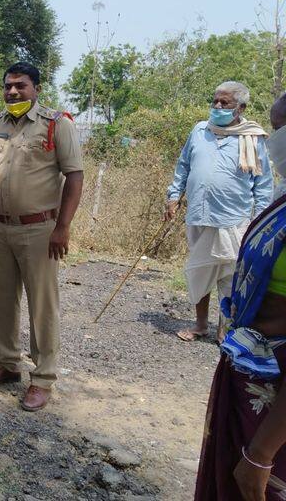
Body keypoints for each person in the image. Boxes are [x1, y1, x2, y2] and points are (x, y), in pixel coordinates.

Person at [0, 61, 83, 412]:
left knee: (42, 305)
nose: (13, 92)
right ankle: (7, 364)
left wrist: (62, 227)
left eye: (20, 85)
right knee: (0, 300)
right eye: (8, 86)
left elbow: (75, 176)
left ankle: (43, 378)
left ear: (35, 87)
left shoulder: (56, 125)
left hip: (40, 229)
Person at [195, 91, 286, 501]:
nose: (275, 141)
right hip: (248, 377)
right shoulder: (282, 206)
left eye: (281, 130)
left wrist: (263, 452)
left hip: (274, 412)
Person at [165, 81, 272, 343]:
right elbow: (184, 165)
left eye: (225, 103)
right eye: (215, 101)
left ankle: (225, 330)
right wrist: (173, 195)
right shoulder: (200, 130)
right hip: (199, 215)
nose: (218, 107)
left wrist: (259, 221)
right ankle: (200, 325)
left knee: (229, 276)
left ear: (241, 107)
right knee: (200, 270)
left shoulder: (253, 138)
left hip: (235, 220)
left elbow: (264, 184)